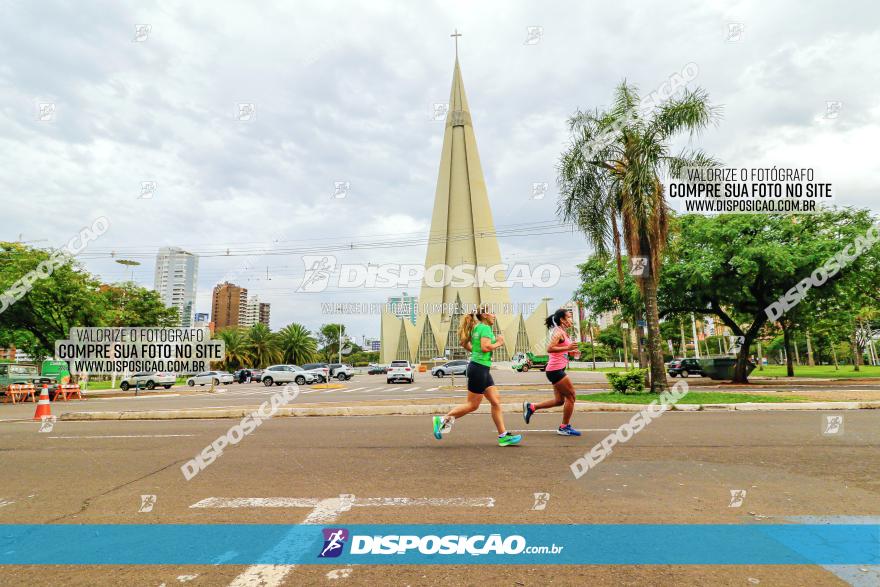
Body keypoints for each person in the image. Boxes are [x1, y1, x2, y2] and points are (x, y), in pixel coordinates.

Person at [432, 305, 522, 447]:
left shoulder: (476, 328)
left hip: (481, 368)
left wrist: (475, 352)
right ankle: (442, 420)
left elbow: (464, 343)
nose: (494, 315)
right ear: (485, 315)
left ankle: (503, 436)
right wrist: (499, 342)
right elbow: (485, 347)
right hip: (479, 368)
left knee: (495, 401)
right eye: (492, 312)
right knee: (473, 405)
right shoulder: (485, 328)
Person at [522, 308, 582, 436]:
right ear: (562, 319)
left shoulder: (563, 333)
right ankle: (564, 427)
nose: (571, 319)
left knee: (559, 401)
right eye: (569, 317)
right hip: (555, 370)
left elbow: (562, 350)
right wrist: (568, 347)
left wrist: (572, 352)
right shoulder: (558, 332)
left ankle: (532, 407)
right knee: (571, 396)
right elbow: (550, 348)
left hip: (557, 369)